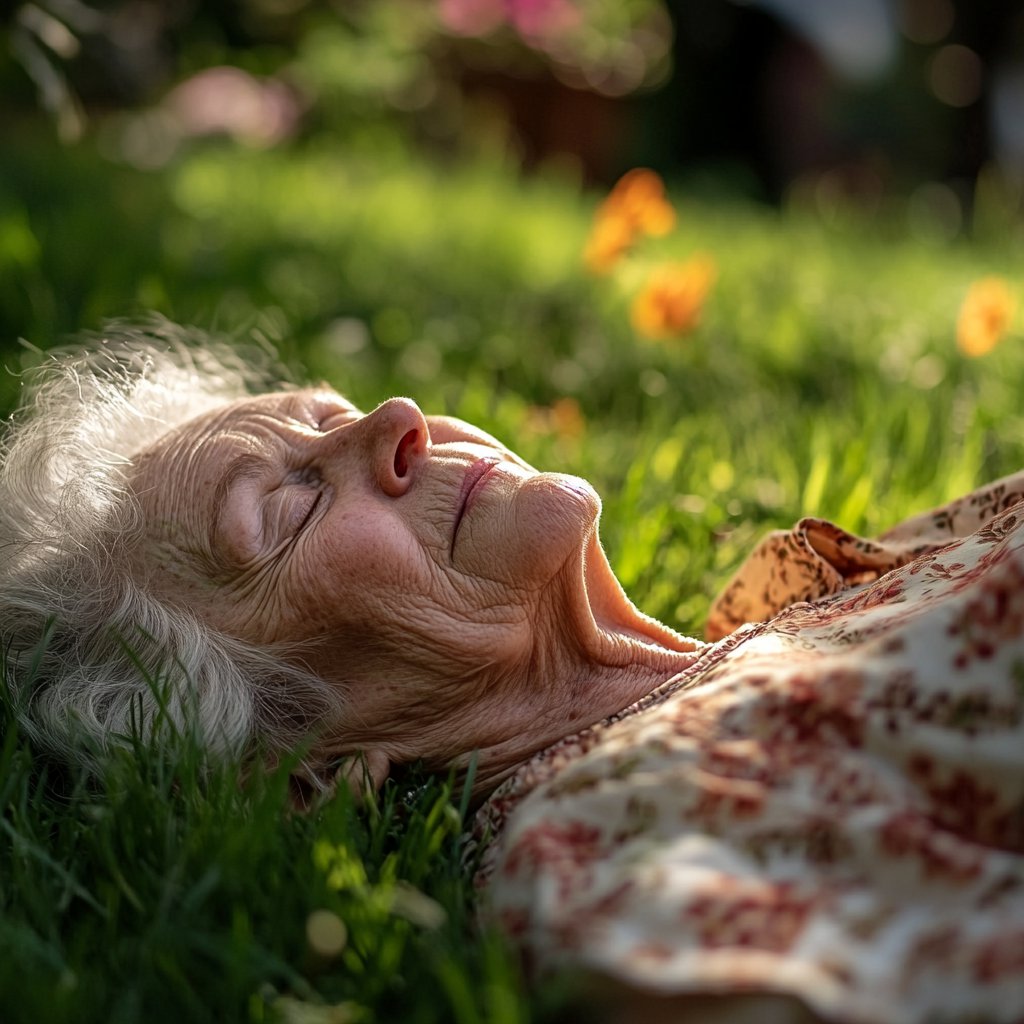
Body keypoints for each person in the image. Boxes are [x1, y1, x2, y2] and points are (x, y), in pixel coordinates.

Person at [2, 324, 1023, 1023]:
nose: (395, 417)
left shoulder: (811, 592)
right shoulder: (622, 844)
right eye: (294, 506)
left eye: (335, 410)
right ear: (301, 766)